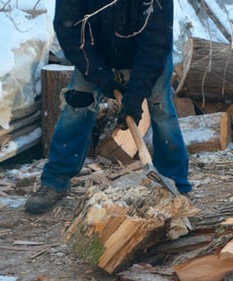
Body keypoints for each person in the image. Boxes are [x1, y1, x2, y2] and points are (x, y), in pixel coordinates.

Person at [25, 0, 191, 214]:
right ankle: (55, 180)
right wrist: (101, 77)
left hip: (147, 52)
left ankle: (175, 181)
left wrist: (134, 97)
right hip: (94, 52)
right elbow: (70, 32)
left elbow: (156, 41)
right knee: (77, 106)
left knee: (161, 110)